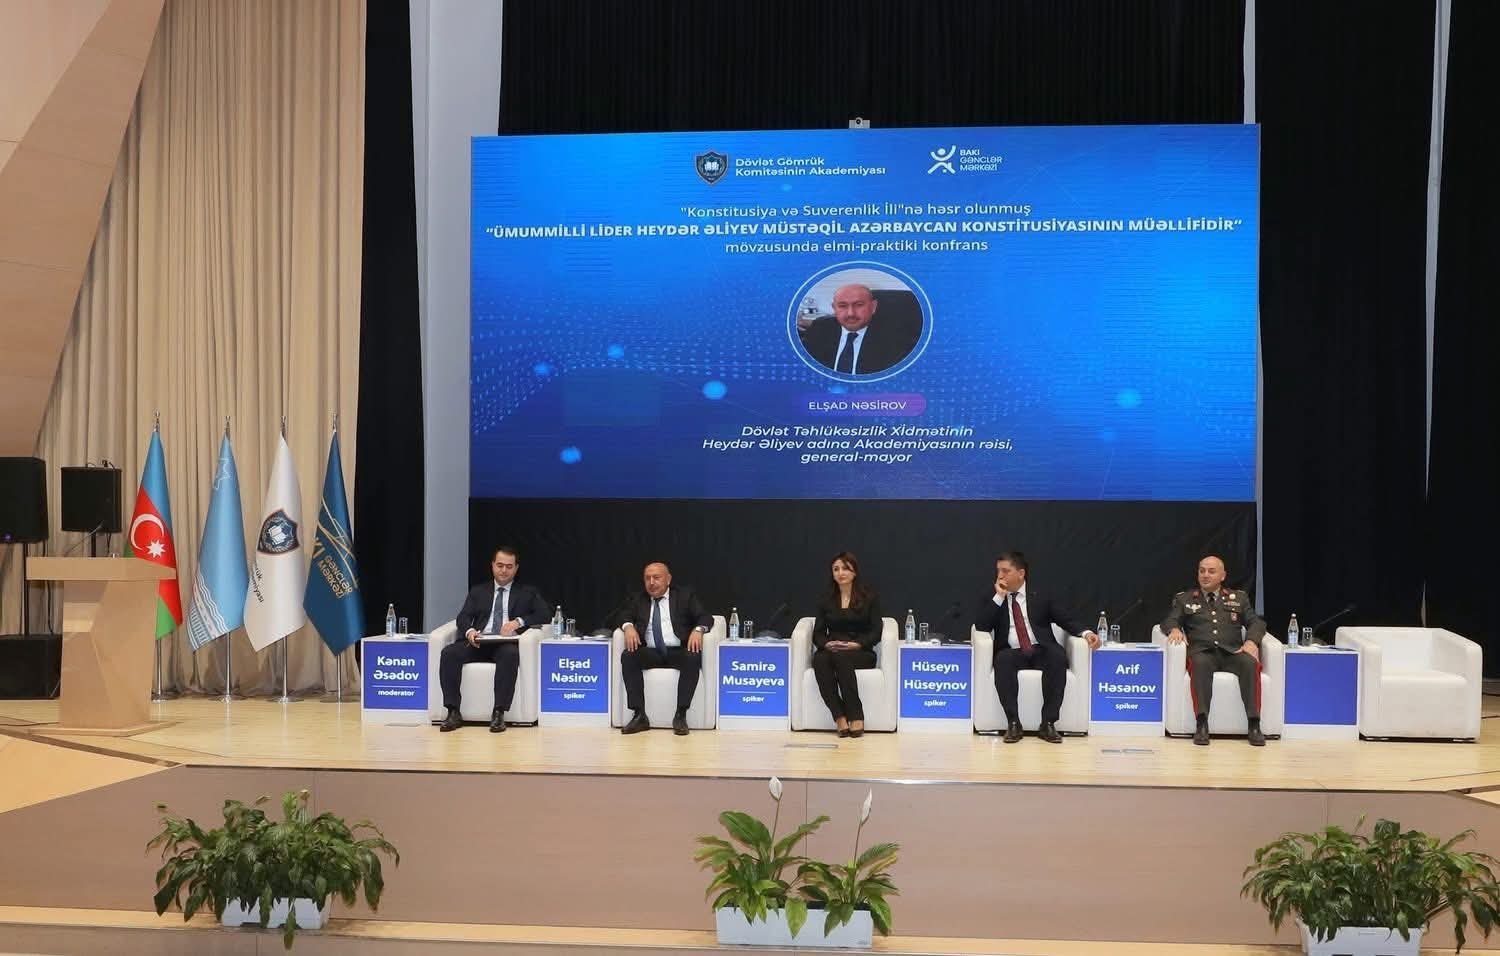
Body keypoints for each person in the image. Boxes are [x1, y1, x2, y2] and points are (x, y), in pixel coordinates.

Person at [974, 551, 1099, 744]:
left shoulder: (1041, 595)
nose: (1000, 576)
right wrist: (999, 597)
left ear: (1021, 573)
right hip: (1011, 651)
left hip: (1040, 648)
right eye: (998, 571)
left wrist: (1086, 633)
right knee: (1002, 660)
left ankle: (1048, 723)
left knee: (1057, 656)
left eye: (1005, 571)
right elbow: (982, 626)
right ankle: (1013, 723)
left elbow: (1065, 618)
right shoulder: (993, 596)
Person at [438, 546, 551, 733]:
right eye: (500, 565)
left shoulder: (527, 592)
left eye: (509, 566)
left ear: (516, 568)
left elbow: (544, 614)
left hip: (505, 643)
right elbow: (463, 617)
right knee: (449, 653)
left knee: (510, 655)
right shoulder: (478, 591)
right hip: (479, 641)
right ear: (492, 566)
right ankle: (453, 712)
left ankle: (499, 713)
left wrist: (518, 622)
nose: (504, 570)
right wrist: (470, 632)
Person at [1162, 555, 1268, 747]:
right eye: (1202, 571)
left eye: (1211, 571)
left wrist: (1252, 641)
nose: (1205, 575)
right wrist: (1175, 629)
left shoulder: (1239, 598)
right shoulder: (1185, 599)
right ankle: (1202, 723)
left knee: (1250, 664)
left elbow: (1256, 623)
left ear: (1223, 576)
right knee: (1199, 665)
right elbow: (1169, 620)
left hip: (1232, 652)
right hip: (1202, 652)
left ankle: (1254, 724)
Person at [611, 561, 712, 736]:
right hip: (650, 651)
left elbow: (705, 616)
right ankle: (639, 715)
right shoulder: (638, 598)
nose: (651, 582)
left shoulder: (684, 596)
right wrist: (628, 627)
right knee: (629, 656)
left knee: (692, 656)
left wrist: (698, 630)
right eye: (647, 578)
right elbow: (622, 615)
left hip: (677, 651)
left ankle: (680, 714)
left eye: (656, 577)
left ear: (668, 579)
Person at [809, 552, 883, 738]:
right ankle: (839, 716)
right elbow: (818, 633)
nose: (840, 573)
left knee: (840, 658)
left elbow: (876, 631)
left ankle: (856, 714)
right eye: (836, 569)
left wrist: (857, 644)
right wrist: (827, 644)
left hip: (861, 651)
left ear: (854, 572)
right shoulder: (826, 599)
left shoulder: (869, 597)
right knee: (819, 660)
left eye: (845, 569)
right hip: (832, 649)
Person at [802, 283, 917, 375]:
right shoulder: (820, 328)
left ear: (873, 307)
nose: (850, 313)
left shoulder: (896, 338)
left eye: (859, 305)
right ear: (834, 308)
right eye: (842, 306)